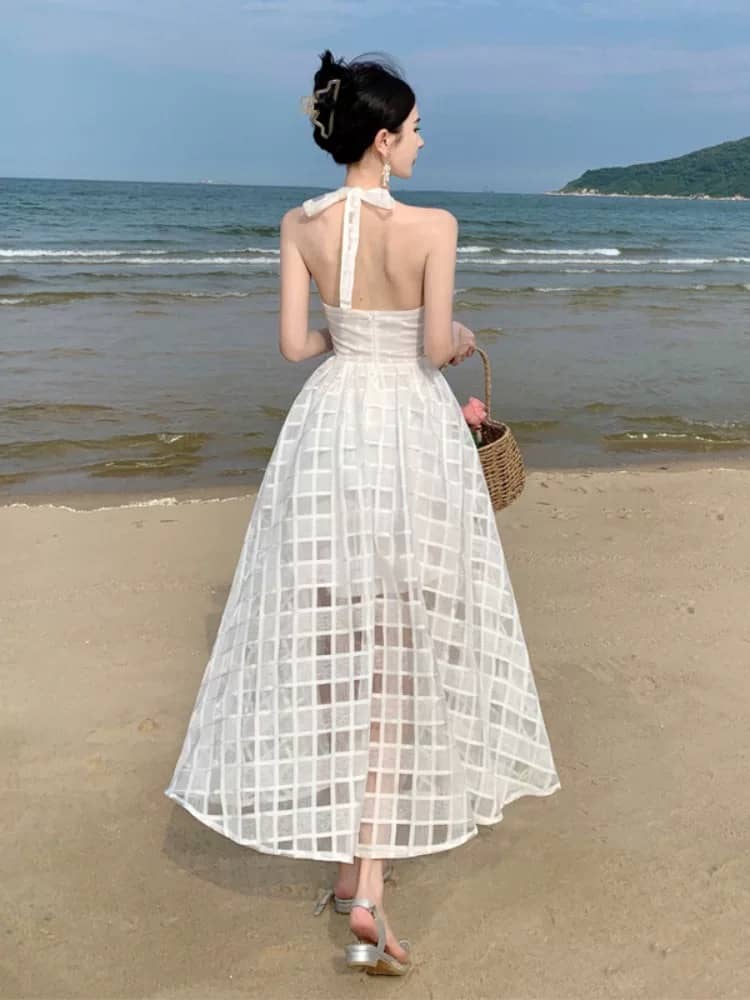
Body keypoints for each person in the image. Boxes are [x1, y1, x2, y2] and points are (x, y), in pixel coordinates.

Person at [164, 48, 561, 978]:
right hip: (408, 432)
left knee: (342, 643)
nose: (421, 142)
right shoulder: (434, 227)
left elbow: (294, 345)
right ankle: (370, 889)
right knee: (399, 644)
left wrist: (348, 330)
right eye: (415, 129)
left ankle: (350, 870)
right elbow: (433, 345)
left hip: (332, 429)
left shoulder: (298, 224)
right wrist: (458, 338)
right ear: (382, 140)